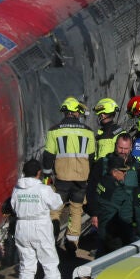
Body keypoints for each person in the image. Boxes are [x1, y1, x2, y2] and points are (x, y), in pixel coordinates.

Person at [10, 159, 70, 279]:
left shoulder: (17, 189)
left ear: (24, 172)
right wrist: (51, 189)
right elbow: (57, 204)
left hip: (22, 226)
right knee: (49, 263)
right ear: (39, 173)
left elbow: (13, 205)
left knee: (26, 265)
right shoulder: (44, 189)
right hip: (40, 226)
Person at [42, 96, 96, 246]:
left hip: (61, 178)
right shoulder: (88, 132)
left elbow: (48, 156)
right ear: (76, 113)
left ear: (65, 112)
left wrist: (46, 175)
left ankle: (52, 237)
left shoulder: (54, 131)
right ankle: (72, 242)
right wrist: (89, 176)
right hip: (81, 178)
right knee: (77, 209)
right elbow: (91, 157)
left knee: (55, 209)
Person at [92, 153, 135, 254]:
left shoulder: (102, 181)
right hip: (113, 233)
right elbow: (127, 212)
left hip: (102, 226)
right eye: (123, 171)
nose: (125, 174)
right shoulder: (118, 190)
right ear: (115, 172)